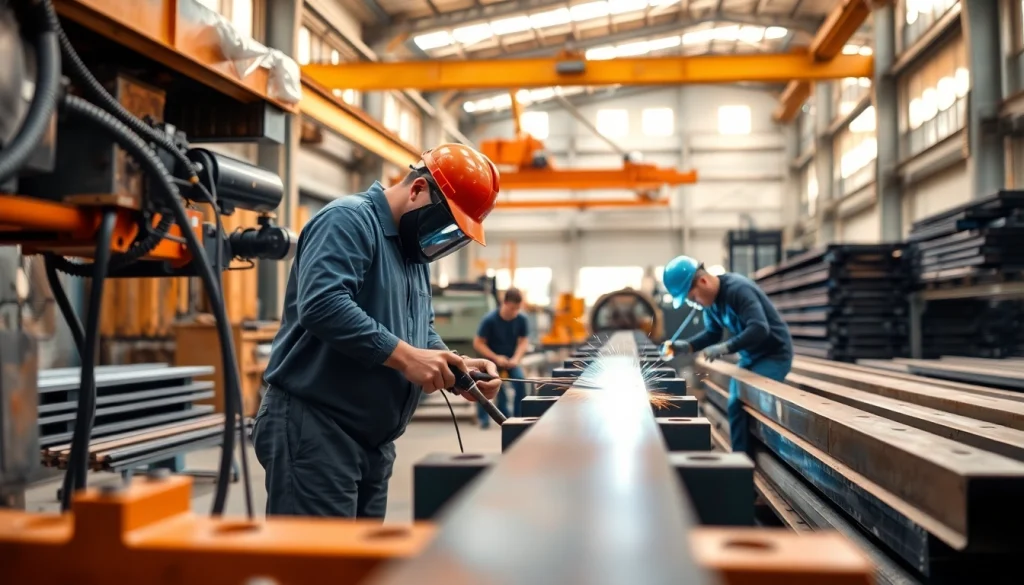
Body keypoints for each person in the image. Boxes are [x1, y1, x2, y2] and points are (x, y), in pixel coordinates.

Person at [253, 144, 504, 519]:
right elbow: (322, 304)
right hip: (318, 429)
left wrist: (456, 366)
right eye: (444, 224)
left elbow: (420, 331)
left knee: (362, 570)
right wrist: (408, 358)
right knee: (321, 568)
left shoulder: (411, 253)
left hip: (374, 440)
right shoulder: (348, 220)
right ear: (418, 189)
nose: (442, 239)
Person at [662, 256, 792, 456]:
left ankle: (780, 456)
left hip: (774, 355)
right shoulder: (711, 303)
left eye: (693, 298)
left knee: (757, 400)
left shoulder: (738, 290)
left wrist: (725, 348)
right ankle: (740, 459)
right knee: (735, 401)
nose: (694, 304)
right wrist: (687, 346)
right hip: (751, 357)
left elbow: (759, 328)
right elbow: (712, 334)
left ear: (703, 281)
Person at [472, 287, 530, 425]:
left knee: (521, 381)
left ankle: (518, 418)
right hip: (491, 361)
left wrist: (516, 359)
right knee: (486, 386)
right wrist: (496, 357)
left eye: (517, 309)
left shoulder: (521, 319)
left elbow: (523, 342)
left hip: (511, 360)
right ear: (504, 303)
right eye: (512, 309)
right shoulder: (489, 320)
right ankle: (484, 419)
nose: (514, 313)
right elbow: (478, 343)